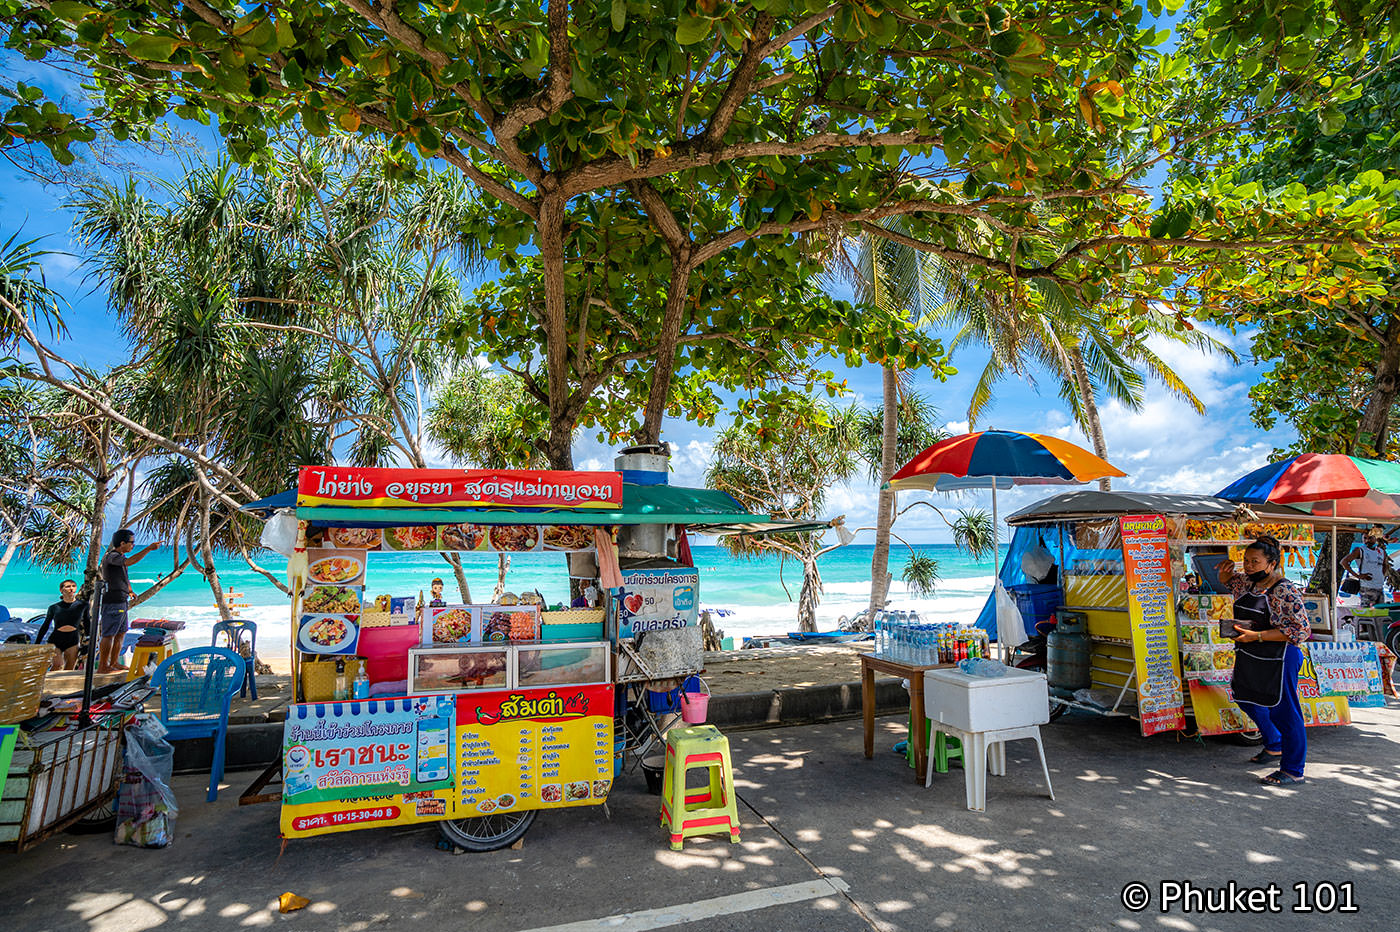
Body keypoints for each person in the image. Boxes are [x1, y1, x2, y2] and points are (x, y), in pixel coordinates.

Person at [1218, 535, 1311, 786]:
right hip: (1251, 654)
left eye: (1255, 561)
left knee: (1285, 711)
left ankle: (1293, 769)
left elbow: (1300, 631)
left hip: (1280, 657)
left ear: (1271, 564)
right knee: (1245, 697)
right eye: (1246, 561)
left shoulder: (1284, 590)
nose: (1249, 566)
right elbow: (1229, 582)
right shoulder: (1247, 583)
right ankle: (1274, 744)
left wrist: (1257, 636)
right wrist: (1224, 574)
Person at [98, 529, 161, 673]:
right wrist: (148, 549)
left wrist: (130, 590)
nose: (133, 545)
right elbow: (130, 562)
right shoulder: (112, 556)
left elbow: (123, 576)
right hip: (113, 600)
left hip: (121, 600)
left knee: (121, 633)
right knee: (109, 634)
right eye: (132, 542)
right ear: (122, 543)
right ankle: (103, 666)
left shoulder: (119, 557)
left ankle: (114, 663)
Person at [36, 579, 87, 670]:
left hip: (73, 639)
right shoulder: (54, 607)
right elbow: (45, 625)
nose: (71, 589)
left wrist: (88, 640)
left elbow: (87, 623)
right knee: (57, 665)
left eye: (73, 586)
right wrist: (37, 643)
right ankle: (48, 679)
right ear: (61, 590)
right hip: (56, 639)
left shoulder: (82, 605)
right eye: (68, 586)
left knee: (69, 669)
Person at [1341, 526, 1391, 607]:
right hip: (1367, 587)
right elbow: (1344, 562)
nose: (1367, 540)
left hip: (1380, 587)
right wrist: (1357, 576)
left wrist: (1381, 576)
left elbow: (1384, 565)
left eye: (1370, 538)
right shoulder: (1360, 550)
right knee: (1367, 611)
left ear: (1376, 538)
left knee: (1380, 611)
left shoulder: (1382, 552)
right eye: (1365, 538)